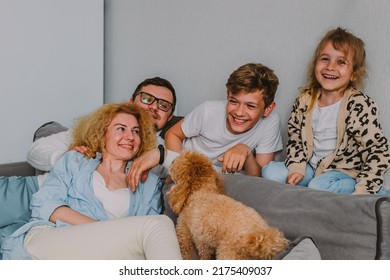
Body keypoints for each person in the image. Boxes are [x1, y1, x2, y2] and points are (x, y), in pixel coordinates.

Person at [1, 103, 182, 259]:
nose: (130, 136)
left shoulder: (148, 181)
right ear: (102, 134)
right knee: (159, 224)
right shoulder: (76, 160)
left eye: (136, 131)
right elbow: (46, 206)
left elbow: (200, 173)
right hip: (51, 238)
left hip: (104, 253)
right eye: (121, 129)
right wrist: (103, 230)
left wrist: (162, 155)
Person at [262, 27, 390, 195]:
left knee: (319, 186)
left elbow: (377, 151)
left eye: (341, 62)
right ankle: (309, 190)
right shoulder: (304, 100)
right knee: (270, 172)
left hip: (343, 173)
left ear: (354, 74)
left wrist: (364, 190)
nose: (330, 67)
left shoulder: (359, 105)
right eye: (325, 59)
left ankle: (380, 193)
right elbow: (295, 140)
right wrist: (297, 168)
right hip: (312, 167)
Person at [127, 63, 283, 189]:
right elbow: (172, 134)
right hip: (188, 169)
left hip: (223, 179)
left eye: (250, 106)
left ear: (268, 109)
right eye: (233, 102)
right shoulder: (208, 111)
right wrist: (176, 168)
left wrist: (246, 152)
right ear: (227, 96)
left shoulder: (270, 122)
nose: (239, 112)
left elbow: (259, 179)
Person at [26, 77, 182, 180]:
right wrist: (67, 159)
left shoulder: (161, 149)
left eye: (163, 105)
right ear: (130, 103)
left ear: (169, 117)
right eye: (147, 99)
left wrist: (160, 156)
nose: (154, 106)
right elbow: (35, 152)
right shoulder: (94, 128)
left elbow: (185, 171)